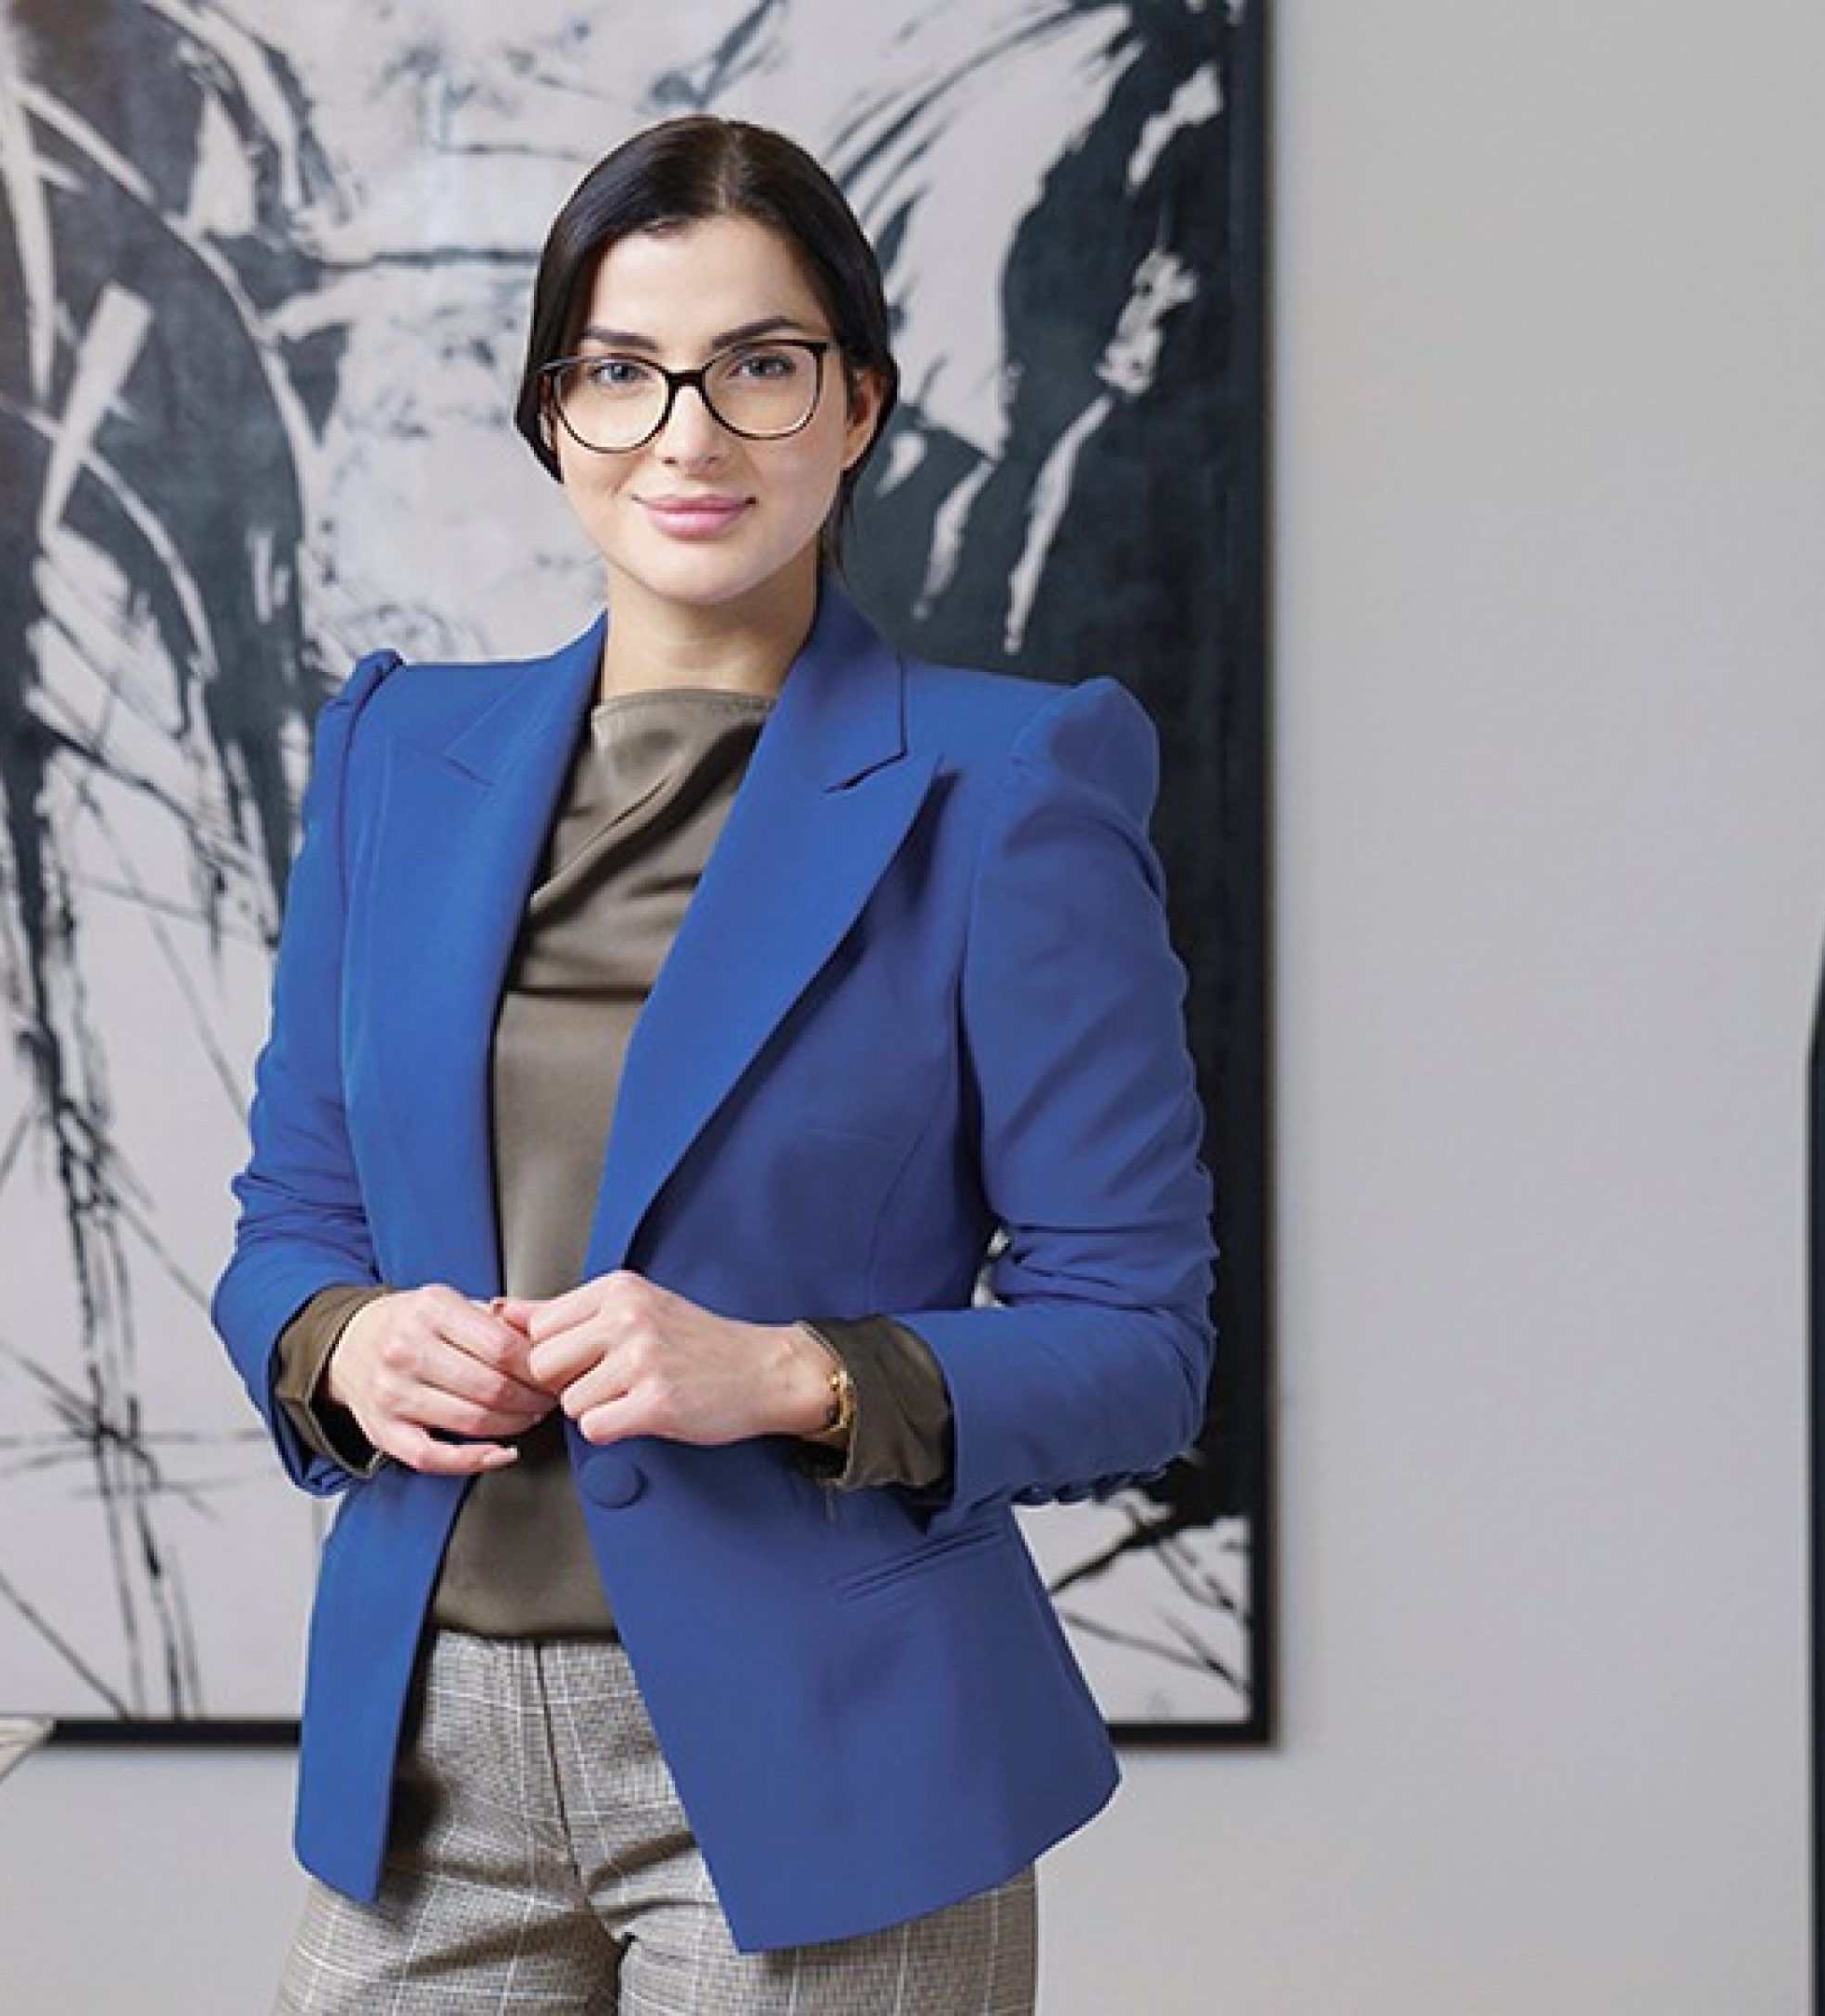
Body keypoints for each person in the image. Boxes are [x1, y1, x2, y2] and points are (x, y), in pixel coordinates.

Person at [215, 112, 1216, 2014]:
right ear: (554, 413)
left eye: (758, 367)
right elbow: (295, 1218)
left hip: (836, 1759)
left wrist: (785, 1373)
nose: (688, 434)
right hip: (426, 1759)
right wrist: (342, 1339)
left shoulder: (1009, 786)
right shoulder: (392, 758)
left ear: (856, 406)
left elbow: (1140, 1340)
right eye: (621, 370)